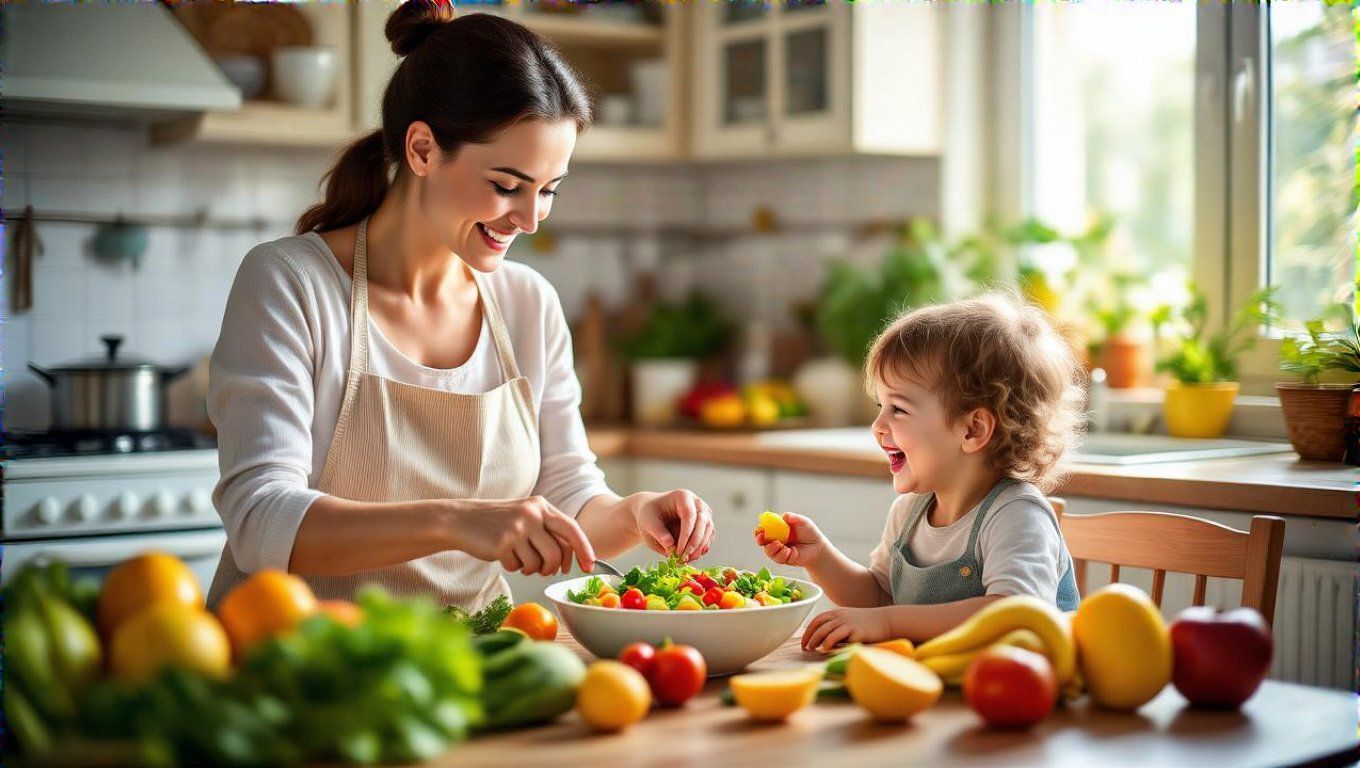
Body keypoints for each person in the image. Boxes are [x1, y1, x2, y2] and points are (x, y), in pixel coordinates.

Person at [206, 3, 713, 611]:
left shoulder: (528, 304)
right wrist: (454, 521)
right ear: (422, 149)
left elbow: (568, 492)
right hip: (302, 668)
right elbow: (261, 521)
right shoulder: (291, 282)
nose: (529, 219)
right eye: (506, 186)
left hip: (465, 670)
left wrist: (635, 513)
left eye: (548, 190)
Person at [754, 293, 1083, 650]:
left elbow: (1016, 615)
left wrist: (890, 622)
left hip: (1023, 699)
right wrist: (820, 557)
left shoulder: (1016, 514)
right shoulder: (910, 512)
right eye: (881, 405)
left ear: (972, 430)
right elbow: (879, 598)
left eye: (898, 409)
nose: (878, 426)